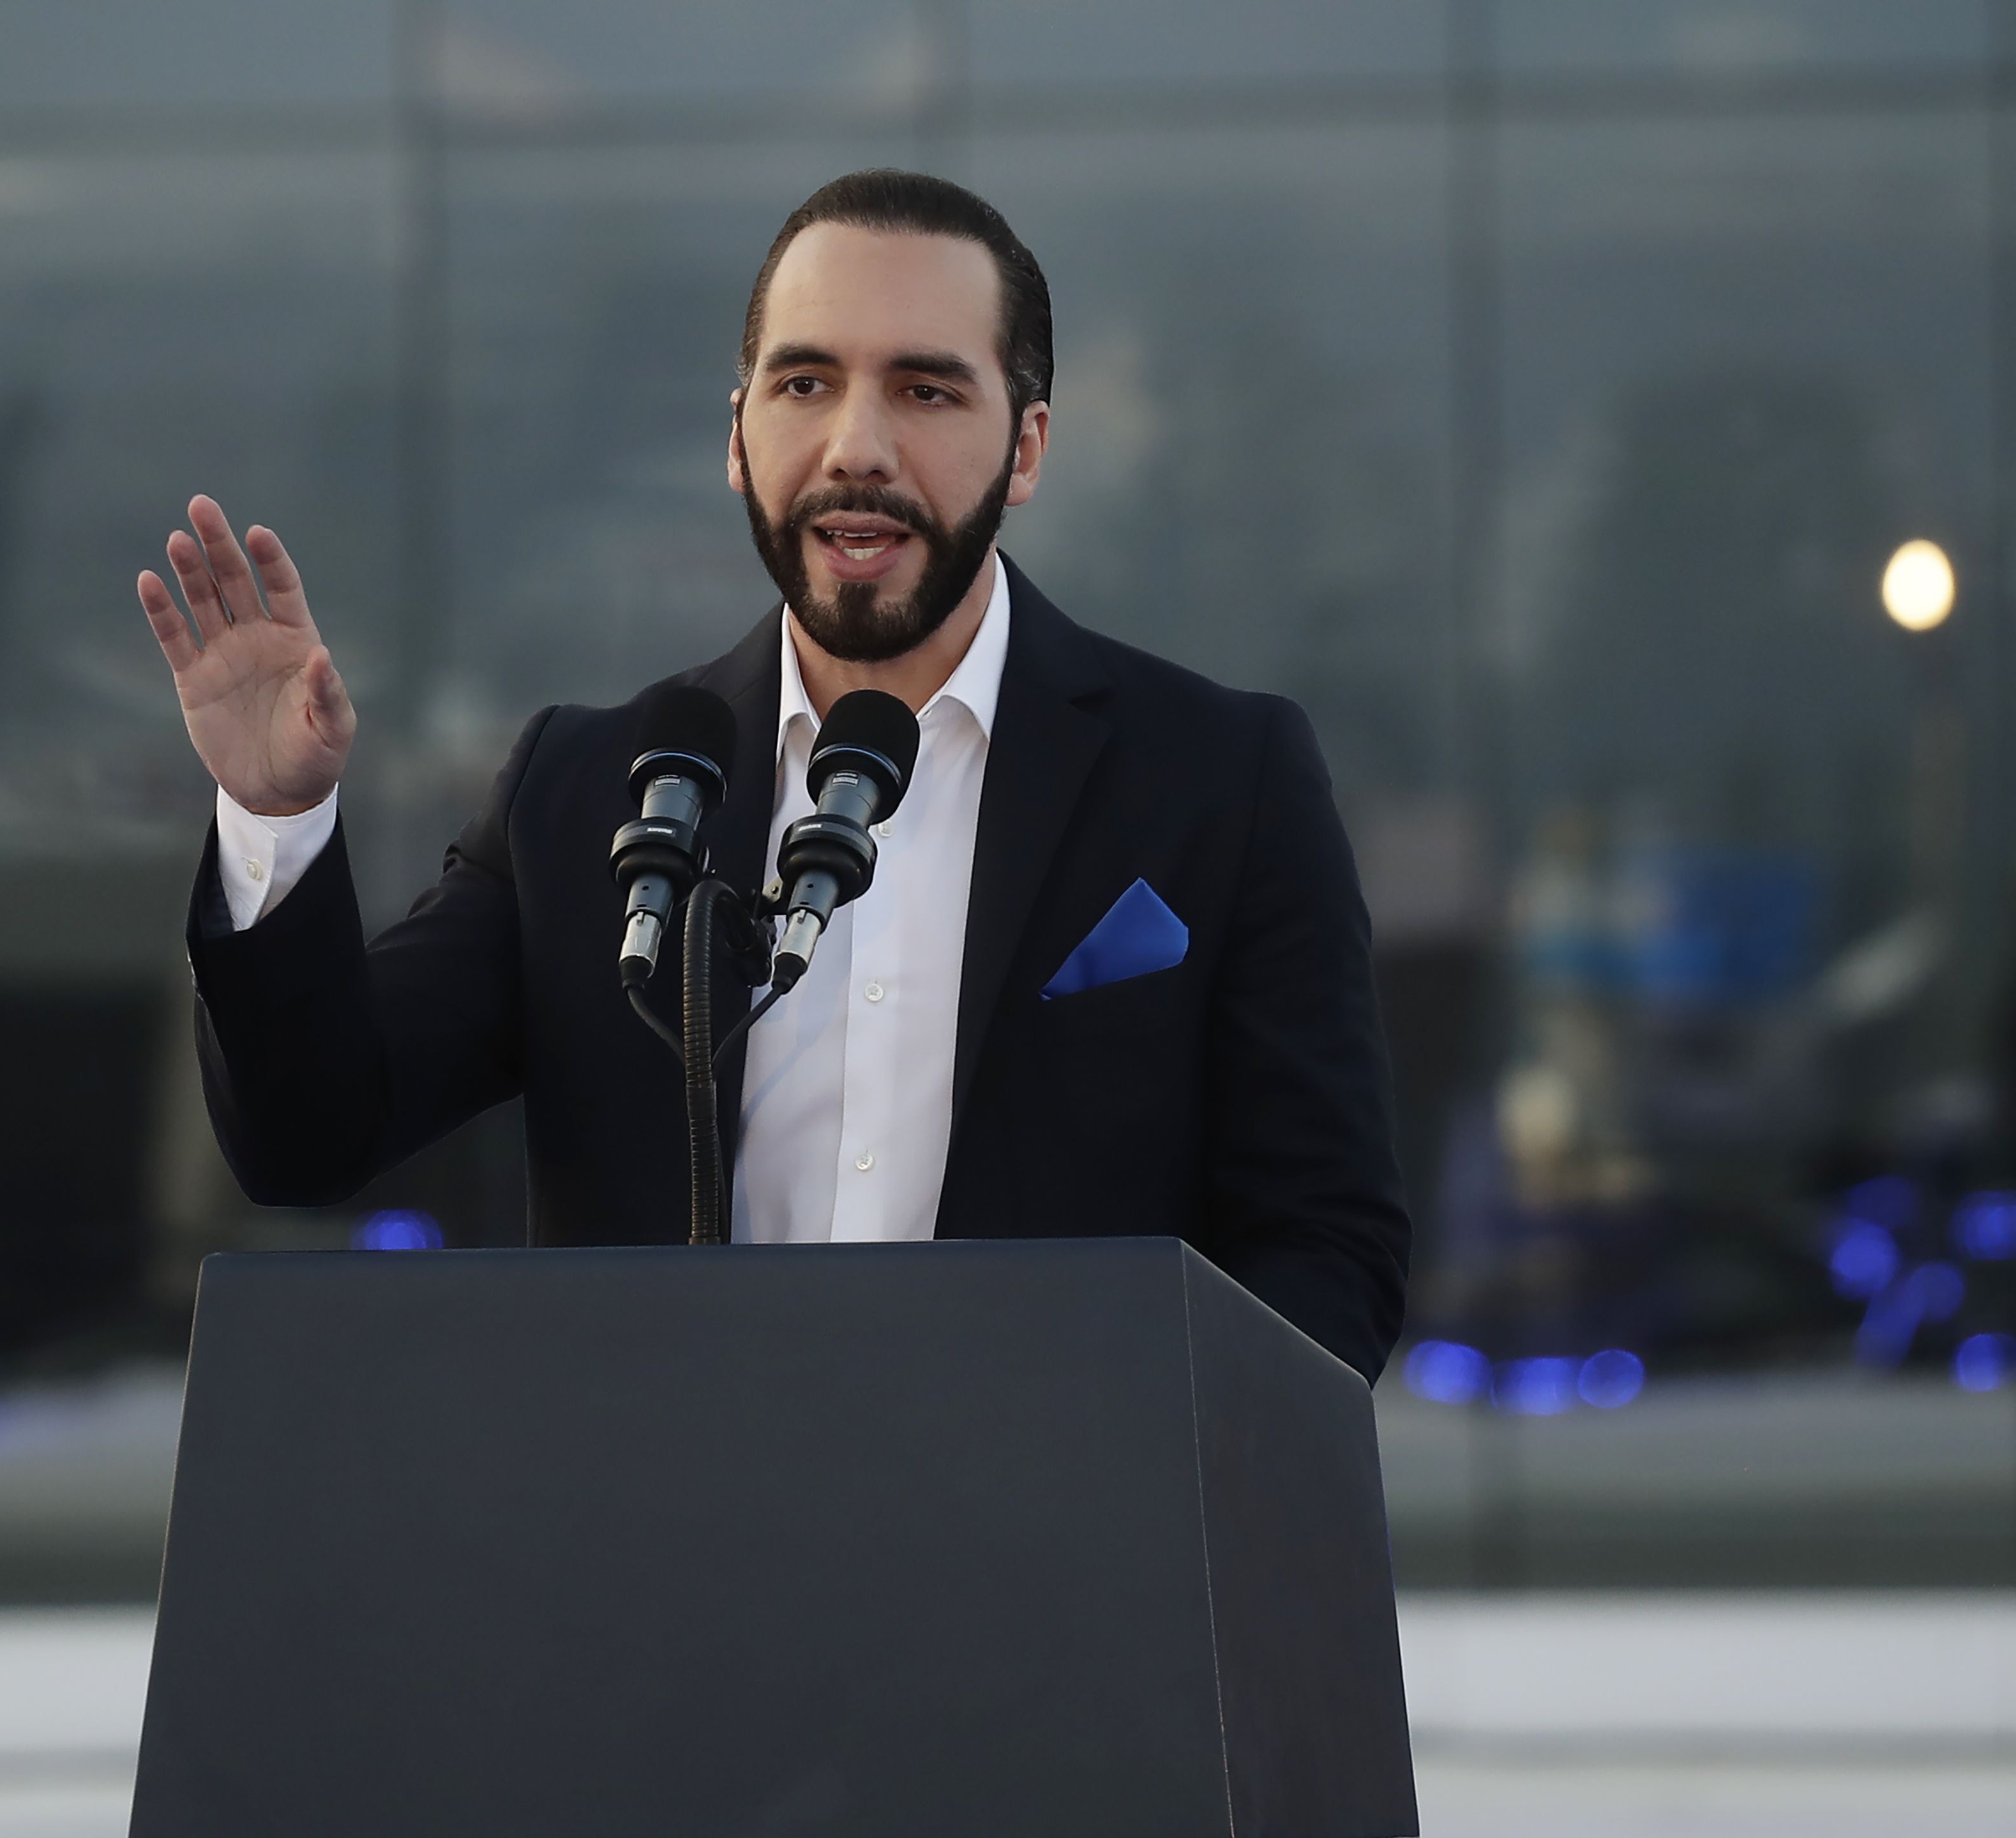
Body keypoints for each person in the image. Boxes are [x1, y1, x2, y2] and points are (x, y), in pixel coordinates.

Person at [138, 170, 1410, 1382]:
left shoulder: (1221, 779)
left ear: (1024, 450)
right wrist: (276, 813)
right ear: (738, 438)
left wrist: (1124, 1461)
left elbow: (1326, 1253)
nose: (857, 446)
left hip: (1054, 1566)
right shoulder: (590, 789)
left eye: (925, 391)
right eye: (806, 383)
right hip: (672, 1572)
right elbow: (309, 1133)